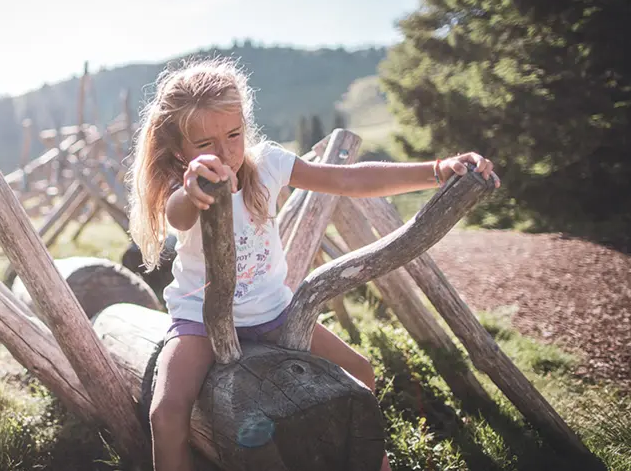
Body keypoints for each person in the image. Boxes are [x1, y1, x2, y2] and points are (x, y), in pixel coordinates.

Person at [126, 57, 499, 471]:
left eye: (234, 134)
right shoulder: (184, 184)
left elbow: (349, 179)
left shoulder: (267, 163)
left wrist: (436, 170)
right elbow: (178, 216)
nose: (224, 152)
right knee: (166, 413)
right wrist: (193, 188)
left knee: (360, 373)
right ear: (180, 150)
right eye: (204, 144)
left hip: (274, 314)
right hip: (200, 319)